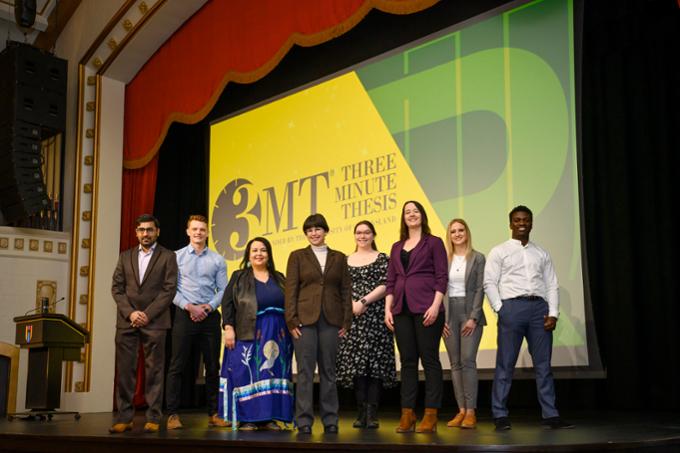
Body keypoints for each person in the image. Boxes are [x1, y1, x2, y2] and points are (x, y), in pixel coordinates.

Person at [484, 205, 574, 431]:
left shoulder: (541, 253)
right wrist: (501, 309)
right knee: (505, 365)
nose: (521, 223)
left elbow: (552, 284)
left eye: (525, 220)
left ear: (531, 223)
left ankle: (551, 415)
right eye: (517, 220)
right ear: (510, 224)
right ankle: (500, 415)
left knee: (543, 366)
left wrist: (552, 313)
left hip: (538, 310)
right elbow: (489, 283)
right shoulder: (499, 251)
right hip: (512, 309)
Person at [284, 213, 352, 434]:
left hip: (332, 320)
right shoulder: (297, 256)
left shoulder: (339, 258)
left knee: (329, 371)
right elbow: (291, 290)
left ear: (325, 231)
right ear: (306, 234)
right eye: (309, 230)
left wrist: (346, 321)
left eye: (318, 229)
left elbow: (345, 291)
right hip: (304, 321)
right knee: (304, 372)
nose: (314, 233)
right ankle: (303, 421)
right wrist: (291, 319)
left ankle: (330, 419)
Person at [110, 214, 177, 434]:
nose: (145, 234)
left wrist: (147, 314)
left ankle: (154, 418)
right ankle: (124, 417)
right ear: (136, 232)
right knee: (125, 371)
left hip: (155, 321)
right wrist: (131, 313)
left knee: (155, 371)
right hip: (127, 322)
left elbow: (169, 290)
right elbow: (117, 289)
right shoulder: (125, 256)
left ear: (157, 232)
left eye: (149, 230)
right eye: (141, 230)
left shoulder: (168, 256)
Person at [384, 201, 448, 433]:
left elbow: (442, 277)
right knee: (408, 362)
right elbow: (391, 281)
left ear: (422, 215)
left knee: (429, 360)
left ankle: (431, 414)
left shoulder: (434, 242)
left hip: (427, 308)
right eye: (407, 212)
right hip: (401, 309)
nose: (411, 215)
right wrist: (387, 309)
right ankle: (407, 413)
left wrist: (435, 305)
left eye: (415, 211)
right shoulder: (396, 246)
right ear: (404, 217)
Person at [219, 237, 293, 430]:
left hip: (278, 334)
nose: (259, 254)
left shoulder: (280, 278)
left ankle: (269, 417)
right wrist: (228, 328)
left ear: (269, 255)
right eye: (254, 251)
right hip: (248, 331)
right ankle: (248, 418)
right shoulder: (239, 277)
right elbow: (227, 304)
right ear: (248, 255)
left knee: (271, 373)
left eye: (263, 250)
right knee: (247, 373)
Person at [165, 215, 229, 430]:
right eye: (195, 229)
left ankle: (214, 413)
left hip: (209, 316)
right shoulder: (176, 257)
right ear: (187, 231)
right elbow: (170, 290)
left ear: (207, 233)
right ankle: (173, 414)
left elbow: (223, 291)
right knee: (177, 366)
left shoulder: (218, 260)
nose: (198, 232)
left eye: (202, 229)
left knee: (213, 367)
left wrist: (208, 307)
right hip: (185, 314)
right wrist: (189, 307)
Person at [336, 220, 396, 429]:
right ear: (354, 236)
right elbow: (340, 288)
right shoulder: (344, 260)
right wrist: (351, 305)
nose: (362, 236)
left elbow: (387, 285)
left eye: (367, 232)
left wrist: (363, 302)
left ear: (373, 235)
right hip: (352, 320)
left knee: (374, 367)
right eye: (359, 233)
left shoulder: (383, 258)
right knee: (357, 369)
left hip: (376, 318)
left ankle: (373, 414)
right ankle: (361, 412)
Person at [442, 218, 486, 429]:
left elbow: (480, 288)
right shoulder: (443, 259)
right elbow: (439, 290)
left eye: (461, 230)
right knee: (455, 364)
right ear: (449, 235)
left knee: (468, 361)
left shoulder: (478, 258)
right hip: (449, 314)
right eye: (453, 231)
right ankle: (460, 410)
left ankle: (471, 411)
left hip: (469, 314)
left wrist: (473, 317)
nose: (457, 234)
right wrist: (441, 318)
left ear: (467, 233)